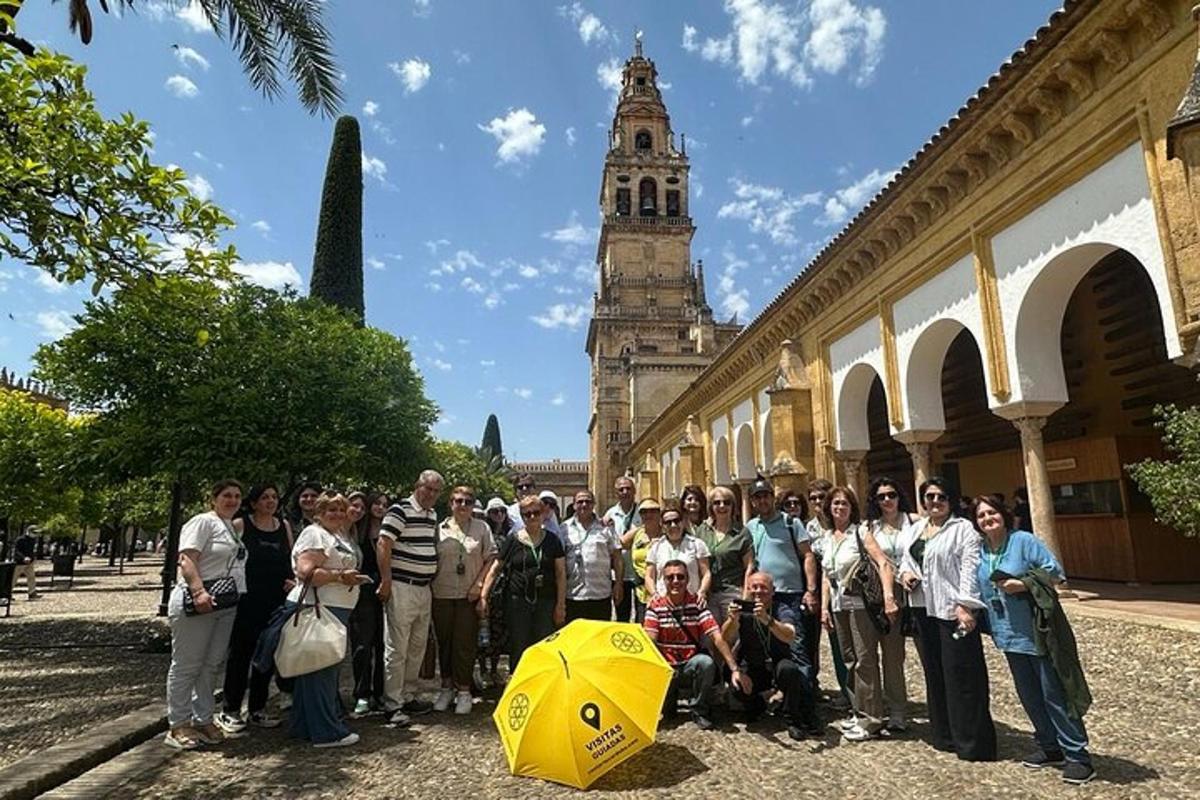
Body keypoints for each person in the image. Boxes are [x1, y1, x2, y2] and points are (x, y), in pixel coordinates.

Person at [973, 495, 1094, 784]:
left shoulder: (1023, 541)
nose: (988, 519)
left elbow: (1055, 572)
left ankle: (1077, 755)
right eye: (981, 516)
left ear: (1003, 514)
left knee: (1054, 693)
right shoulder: (980, 550)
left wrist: (1024, 583)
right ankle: (1049, 746)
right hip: (1007, 634)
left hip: (1037, 632)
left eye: (992, 513)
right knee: (1029, 695)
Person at [898, 477, 996, 761]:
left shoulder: (963, 529)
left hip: (953, 610)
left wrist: (966, 605)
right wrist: (905, 574)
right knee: (935, 672)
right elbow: (907, 558)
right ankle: (944, 735)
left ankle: (972, 742)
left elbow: (970, 568)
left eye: (941, 497)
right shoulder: (917, 528)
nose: (935, 502)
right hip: (924, 609)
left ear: (951, 499)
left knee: (963, 676)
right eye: (929, 497)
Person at [164, 479, 248, 750]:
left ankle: (203, 717)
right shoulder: (202, 522)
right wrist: (198, 591)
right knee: (187, 663)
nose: (232, 500)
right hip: (198, 599)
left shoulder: (231, 527)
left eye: (237, 496)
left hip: (224, 603)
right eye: (227, 495)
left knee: (211, 663)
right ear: (213, 498)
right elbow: (187, 558)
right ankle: (178, 723)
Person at [819, 486, 900, 742]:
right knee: (849, 659)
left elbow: (883, 562)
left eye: (844, 503)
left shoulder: (860, 532)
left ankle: (872, 719)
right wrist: (824, 607)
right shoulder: (828, 537)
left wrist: (888, 597)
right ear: (829, 508)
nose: (839, 508)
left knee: (865, 659)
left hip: (861, 604)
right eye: (835, 504)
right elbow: (826, 576)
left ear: (851, 508)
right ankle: (858, 710)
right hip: (838, 604)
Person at [286, 492, 367, 748]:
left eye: (341, 510)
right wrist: (341, 576)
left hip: (335, 608)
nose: (337, 514)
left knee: (315, 669)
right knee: (321, 670)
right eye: (330, 510)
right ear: (318, 513)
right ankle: (326, 732)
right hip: (318, 607)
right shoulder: (314, 534)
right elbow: (306, 571)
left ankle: (303, 725)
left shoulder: (337, 535)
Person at [215, 484, 293, 735]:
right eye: (264, 498)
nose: (270, 501)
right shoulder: (240, 525)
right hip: (247, 600)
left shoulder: (284, 527)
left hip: (275, 601)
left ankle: (258, 708)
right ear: (255, 502)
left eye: (274, 497)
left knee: (266, 656)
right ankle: (230, 710)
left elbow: (288, 560)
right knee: (240, 655)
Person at [644, 559, 748, 730]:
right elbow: (650, 640)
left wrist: (735, 669)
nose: (676, 581)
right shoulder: (655, 606)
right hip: (667, 668)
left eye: (680, 577)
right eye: (670, 578)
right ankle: (666, 702)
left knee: (706, 663)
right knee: (668, 712)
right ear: (664, 580)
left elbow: (717, 637)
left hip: (689, 665)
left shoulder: (697, 604)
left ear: (688, 580)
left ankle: (699, 709)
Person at [377, 470, 444, 727]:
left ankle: (407, 695)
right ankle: (392, 704)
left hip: (423, 588)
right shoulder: (400, 510)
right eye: (427, 488)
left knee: (417, 646)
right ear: (417, 486)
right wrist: (385, 580)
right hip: (402, 587)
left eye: (436, 491)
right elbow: (384, 544)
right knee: (397, 648)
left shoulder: (432, 515)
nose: (431, 494)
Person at [720, 571, 821, 739]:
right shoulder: (742, 610)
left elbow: (790, 635)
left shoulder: (781, 608)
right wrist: (732, 620)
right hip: (754, 666)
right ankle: (756, 705)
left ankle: (792, 719)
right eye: (754, 587)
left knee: (789, 670)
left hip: (777, 664)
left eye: (763, 588)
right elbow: (724, 638)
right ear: (747, 589)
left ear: (773, 591)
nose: (758, 591)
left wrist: (768, 620)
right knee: (731, 675)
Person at [480, 495, 566, 671]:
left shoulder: (552, 540)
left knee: (544, 647)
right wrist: (483, 596)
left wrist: (560, 605)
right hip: (517, 603)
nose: (532, 517)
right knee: (519, 647)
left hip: (545, 602)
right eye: (527, 514)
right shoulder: (513, 540)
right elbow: (495, 569)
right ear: (522, 516)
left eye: (536, 512)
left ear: (543, 514)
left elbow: (560, 573)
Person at [431, 486, 496, 715]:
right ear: (451, 503)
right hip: (442, 594)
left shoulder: (481, 528)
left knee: (465, 645)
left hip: (468, 595)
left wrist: (480, 586)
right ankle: (447, 687)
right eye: (458, 501)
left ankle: (465, 691)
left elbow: (491, 560)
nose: (463, 505)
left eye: (468, 501)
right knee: (445, 643)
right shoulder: (439, 529)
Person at [864, 477, 918, 731]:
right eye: (881, 496)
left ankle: (898, 709)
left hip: (914, 592)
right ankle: (878, 707)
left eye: (891, 494)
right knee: (877, 652)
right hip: (881, 594)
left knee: (895, 656)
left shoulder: (915, 522)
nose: (887, 500)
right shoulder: (870, 527)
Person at [349, 491, 389, 717]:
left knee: (383, 645)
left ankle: (380, 693)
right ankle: (362, 694)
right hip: (361, 593)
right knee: (362, 646)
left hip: (384, 592)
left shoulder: (389, 532)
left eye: (385, 504)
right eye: (377, 503)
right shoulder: (356, 531)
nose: (380, 508)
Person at [692, 485, 751, 625]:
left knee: (732, 638)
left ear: (733, 506)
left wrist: (745, 595)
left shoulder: (741, 533)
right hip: (708, 594)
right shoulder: (702, 531)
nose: (722, 506)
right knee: (710, 638)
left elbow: (749, 566)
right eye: (717, 502)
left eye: (726, 502)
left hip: (732, 592)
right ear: (711, 507)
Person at [562, 489, 624, 622]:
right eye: (580, 502)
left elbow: (617, 556)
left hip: (600, 595)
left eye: (588, 501)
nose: (584, 505)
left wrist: (618, 584)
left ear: (594, 504)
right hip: (574, 595)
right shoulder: (564, 529)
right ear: (574, 505)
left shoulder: (606, 527)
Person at [645, 507, 712, 603]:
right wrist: (654, 594)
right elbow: (649, 576)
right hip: (664, 602)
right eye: (668, 522)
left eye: (676, 521)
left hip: (692, 601)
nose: (673, 525)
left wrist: (702, 592)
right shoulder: (656, 547)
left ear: (683, 522)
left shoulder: (697, 544)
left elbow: (706, 573)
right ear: (662, 525)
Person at [479, 496, 512, 685]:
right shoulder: (484, 534)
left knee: (499, 633)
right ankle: (483, 670)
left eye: (501, 511)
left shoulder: (510, 535)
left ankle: (493, 670)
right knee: (484, 631)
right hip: (486, 590)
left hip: (503, 591)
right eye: (494, 511)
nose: (498, 515)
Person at [604, 476, 641, 622]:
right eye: (621, 489)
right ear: (616, 492)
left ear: (635, 491)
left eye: (628, 488)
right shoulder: (610, 514)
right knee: (622, 617)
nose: (625, 492)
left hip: (639, 574)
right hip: (619, 576)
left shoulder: (643, 512)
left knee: (642, 616)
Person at [622, 498, 663, 622]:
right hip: (641, 592)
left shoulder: (667, 533)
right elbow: (622, 542)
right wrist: (642, 527)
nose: (648, 514)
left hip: (663, 590)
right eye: (644, 512)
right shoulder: (638, 534)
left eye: (653, 511)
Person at [13, 525, 38, 599]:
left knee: (31, 577)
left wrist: (32, 558)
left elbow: (31, 551)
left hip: (29, 562)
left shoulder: (33, 540)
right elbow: (17, 551)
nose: (35, 534)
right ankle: (7, 594)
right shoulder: (20, 539)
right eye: (34, 532)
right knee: (14, 578)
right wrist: (23, 558)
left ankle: (32, 592)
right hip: (20, 563)